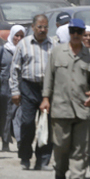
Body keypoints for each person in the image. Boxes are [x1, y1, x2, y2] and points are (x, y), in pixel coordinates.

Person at [41, 18, 90, 179]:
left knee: (81, 148)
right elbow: (49, 77)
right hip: (61, 108)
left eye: (79, 32)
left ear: (83, 34)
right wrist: (45, 98)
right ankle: (60, 169)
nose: (75, 35)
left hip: (83, 108)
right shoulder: (57, 53)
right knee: (61, 146)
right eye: (73, 31)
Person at [10, 13, 53, 170]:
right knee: (27, 124)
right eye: (39, 27)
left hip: (48, 89)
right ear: (33, 27)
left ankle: (43, 159)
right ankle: (25, 157)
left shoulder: (53, 44)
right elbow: (14, 69)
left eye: (45, 27)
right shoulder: (24, 44)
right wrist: (15, 91)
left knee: (47, 125)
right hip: (28, 87)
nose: (42, 30)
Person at [0, 24, 26, 152]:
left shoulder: (26, 51)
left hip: (21, 87)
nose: (18, 38)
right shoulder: (2, 50)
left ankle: (20, 141)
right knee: (6, 115)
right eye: (16, 36)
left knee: (18, 114)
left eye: (21, 36)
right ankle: (5, 141)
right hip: (4, 88)